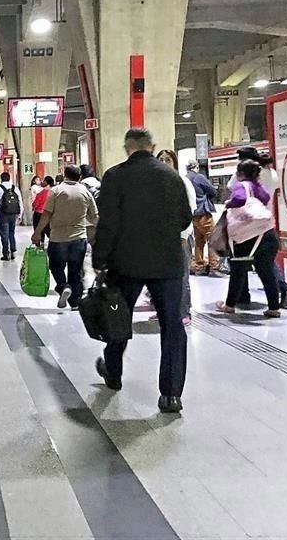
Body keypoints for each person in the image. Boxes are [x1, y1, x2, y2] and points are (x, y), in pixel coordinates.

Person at [92, 128, 193, 414]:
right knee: (172, 326)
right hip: (168, 263)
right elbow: (185, 219)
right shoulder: (171, 176)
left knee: (117, 318)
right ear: (152, 146)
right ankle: (171, 394)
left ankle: (113, 372)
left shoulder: (114, 176)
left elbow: (108, 224)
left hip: (126, 262)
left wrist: (100, 259)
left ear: (127, 147)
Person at [216, 160, 282, 318]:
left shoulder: (241, 185)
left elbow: (239, 199)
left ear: (239, 174)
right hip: (266, 234)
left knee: (237, 271)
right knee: (266, 272)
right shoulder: (258, 186)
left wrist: (229, 204)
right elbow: (265, 199)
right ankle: (274, 307)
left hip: (246, 237)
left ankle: (230, 305)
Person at [32, 165, 98, 310]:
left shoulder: (56, 191)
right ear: (79, 177)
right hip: (79, 237)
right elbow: (94, 216)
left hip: (58, 238)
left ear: (64, 175)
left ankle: (62, 287)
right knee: (76, 270)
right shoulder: (84, 192)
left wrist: (37, 232)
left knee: (56, 267)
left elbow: (47, 214)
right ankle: (75, 302)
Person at [157, 150, 197, 326]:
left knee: (182, 277)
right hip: (162, 239)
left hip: (180, 237)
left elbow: (189, 210)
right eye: (161, 160)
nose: (164, 162)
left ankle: (183, 312)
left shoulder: (183, 182)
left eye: (168, 160)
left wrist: (183, 236)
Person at [186, 160, 220, 276]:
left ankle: (199, 266)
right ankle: (214, 267)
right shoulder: (199, 177)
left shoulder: (185, 179)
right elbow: (213, 191)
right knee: (213, 238)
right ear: (196, 167)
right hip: (203, 213)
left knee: (199, 241)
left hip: (193, 215)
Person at [0, 172, 23, 261]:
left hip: (3, 214)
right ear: (9, 178)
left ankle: (6, 254)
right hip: (14, 214)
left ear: (1, 179)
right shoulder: (15, 188)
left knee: (4, 234)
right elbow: (20, 202)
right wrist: (20, 215)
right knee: (11, 232)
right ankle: (13, 252)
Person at [31, 176, 54, 245]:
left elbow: (35, 204)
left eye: (44, 180)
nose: (42, 182)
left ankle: (40, 247)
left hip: (39, 214)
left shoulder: (43, 192)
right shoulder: (54, 192)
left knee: (39, 233)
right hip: (51, 215)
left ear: (46, 182)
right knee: (50, 232)